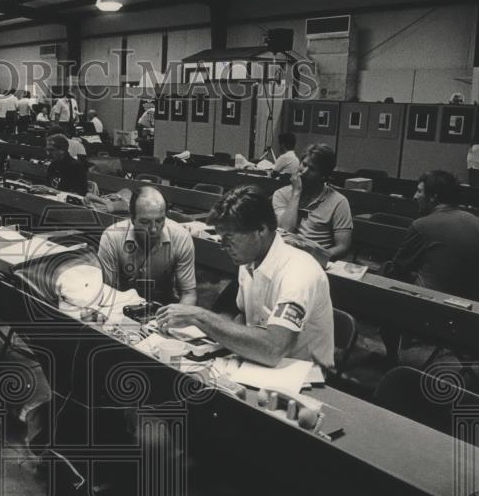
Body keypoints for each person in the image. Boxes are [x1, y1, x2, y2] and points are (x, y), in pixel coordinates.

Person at [158, 185, 334, 367]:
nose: (223, 246)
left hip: (303, 375)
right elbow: (244, 315)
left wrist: (200, 317)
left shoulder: (298, 272)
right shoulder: (249, 261)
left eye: (229, 238)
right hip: (259, 363)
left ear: (261, 230)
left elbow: (273, 349)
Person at [384, 170, 479, 303]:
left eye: (419, 191)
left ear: (433, 197)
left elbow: (397, 269)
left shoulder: (421, 225)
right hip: (469, 304)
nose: (415, 196)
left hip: (427, 302)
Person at [97, 185, 197, 305]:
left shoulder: (181, 237)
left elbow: (189, 294)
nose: (154, 229)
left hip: (164, 306)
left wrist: (177, 319)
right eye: (145, 222)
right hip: (122, 305)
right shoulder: (111, 237)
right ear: (132, 218)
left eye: (160, 221)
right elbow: (109, 291)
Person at [272, 143, 353, 260]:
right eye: (304, 164)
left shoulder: (339, 202)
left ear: (323, 176)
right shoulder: (281, 194)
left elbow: (343, 246)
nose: (304, 172)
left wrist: (318, 256)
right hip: (285, 257)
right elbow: (285, 230)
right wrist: (296, 193)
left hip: (317, 260)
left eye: (312, 169)